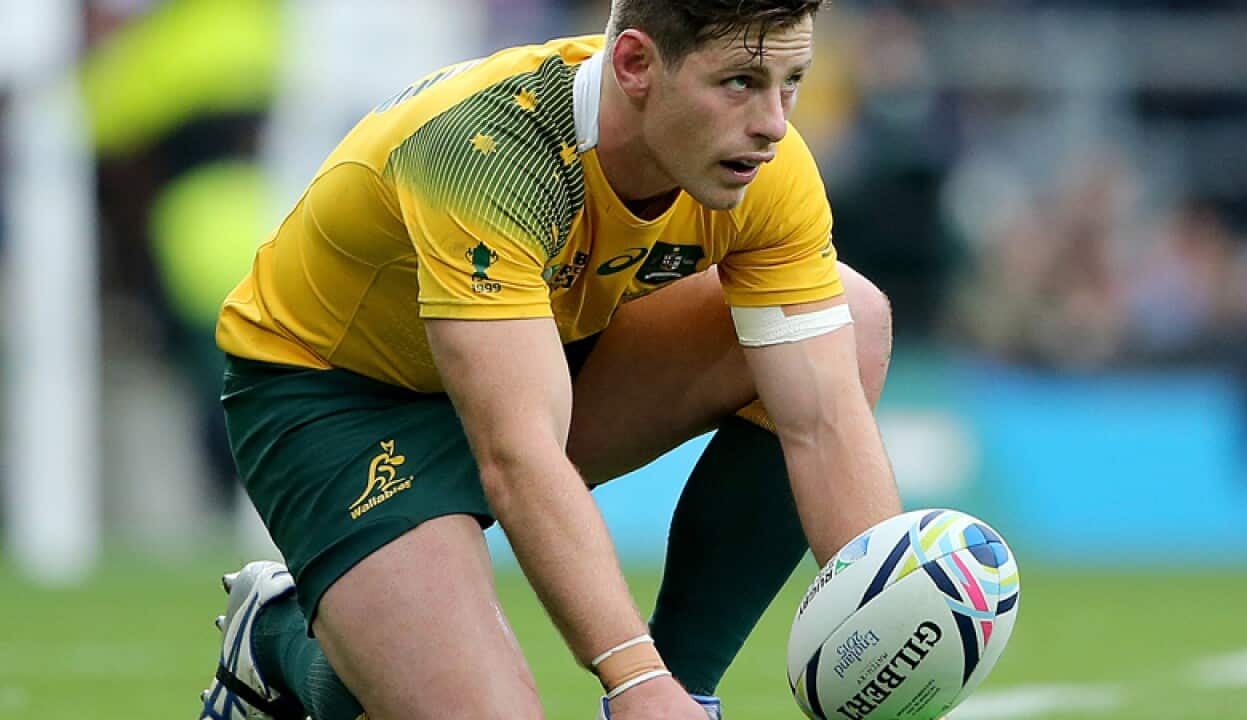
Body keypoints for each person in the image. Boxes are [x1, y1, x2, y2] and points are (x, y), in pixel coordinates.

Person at [197, 1, 903, 719]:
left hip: (539, 360)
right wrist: (634, 681)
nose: (774, 123)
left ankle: (689, 688)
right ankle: (278, 635)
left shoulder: (762, 166)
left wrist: (893, 623)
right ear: (635, 64)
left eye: (792, 80)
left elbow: (822, 418)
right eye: (740, 82)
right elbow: (520, 456)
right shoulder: (485, 153)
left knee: (851, 320)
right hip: (338, 398)